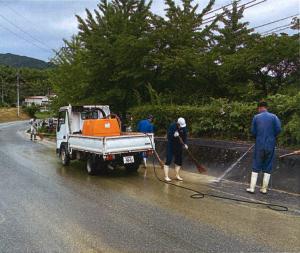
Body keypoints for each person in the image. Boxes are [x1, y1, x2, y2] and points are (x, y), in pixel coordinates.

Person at [247, 102, 282, 194]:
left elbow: (253, 131)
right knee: (268, 164)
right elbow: (279, 129)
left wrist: (258, 137)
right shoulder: (274, 117)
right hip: (270, 143)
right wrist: (272, 136)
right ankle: (264, 189)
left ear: (259, 108)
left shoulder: (256, 117)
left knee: (256, 164)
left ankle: (252, 188)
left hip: (259, 143)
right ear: (266, 108)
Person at [164, 117, 188, 181]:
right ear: (178, 123)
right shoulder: (172, 126)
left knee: (179, 160)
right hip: (171, 144)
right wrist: (173, 135)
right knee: (169, 159)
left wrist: (185, 144)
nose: (181, 127)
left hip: (178, 144)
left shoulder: (183, 128)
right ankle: (166, 176)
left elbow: (185, 136)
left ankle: (177, 175)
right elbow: (169, 135)